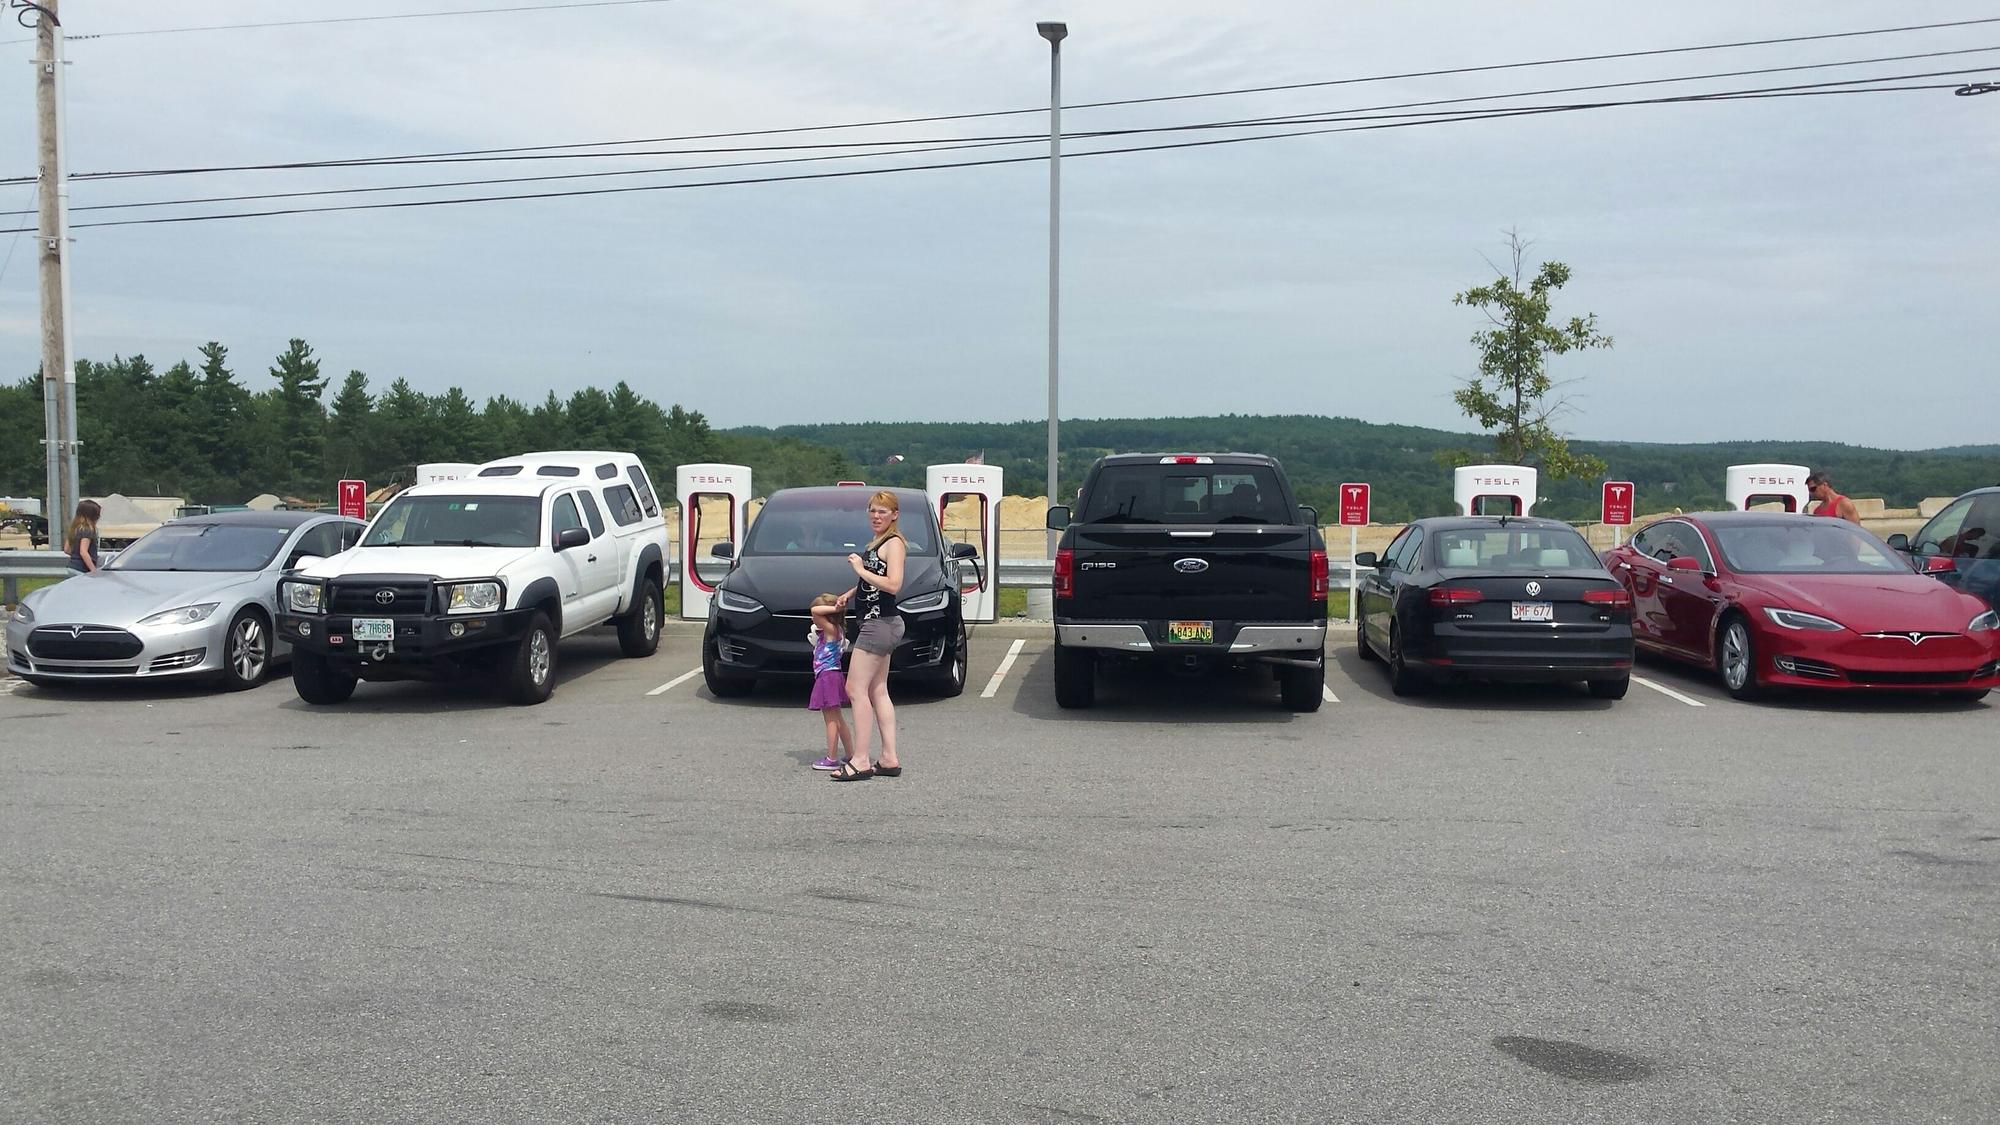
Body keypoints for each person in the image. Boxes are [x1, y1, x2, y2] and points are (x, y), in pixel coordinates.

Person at [828, 490, 905, 782]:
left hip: (879, 624)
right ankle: (888, 758)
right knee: (877, 690)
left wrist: (860, 568)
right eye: (872, 511)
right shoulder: (877, 542)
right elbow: (874, 581)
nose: (876, 516)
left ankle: (860, 759)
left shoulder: (894, 544)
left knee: (855, 690)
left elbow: (894, 584)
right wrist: (852, 591)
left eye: (883, 512)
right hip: (880, 622)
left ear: (894, 515)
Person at [806, 593, 854, 772]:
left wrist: (837, 607)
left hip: (827, 677)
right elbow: (816, 612)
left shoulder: (830, 630)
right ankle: (850, 754)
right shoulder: (835, 630)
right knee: (838, 718)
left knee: (831, 720)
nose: (813, 618)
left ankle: (831, 758)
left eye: (816, 617)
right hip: (832, 675)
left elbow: (815, 610)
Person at [64, 499, 103, 573]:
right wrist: (93, 570)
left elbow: (67, 549)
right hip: (81, 569)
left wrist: (76, 557)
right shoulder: (87, 530)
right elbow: (83, 552)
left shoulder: (74, 528)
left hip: (72, 566)